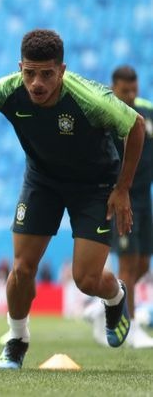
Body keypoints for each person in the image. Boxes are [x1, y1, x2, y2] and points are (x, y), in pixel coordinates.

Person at [0, 29, 145, 369]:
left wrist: (122, 189)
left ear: (62, 70)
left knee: (86, 280)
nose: (37, 83)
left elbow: (135, 126)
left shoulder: (89, 99)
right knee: (21, 268)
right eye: (29, 73)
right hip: (42, 181)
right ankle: (17, 339)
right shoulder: (8, 89)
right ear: (20, 68)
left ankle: (115, 296)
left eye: (46, 74)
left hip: (94, 186)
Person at [86, 65, 153, 348]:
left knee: (141, 264)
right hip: (120, 198)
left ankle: (103, 304)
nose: (130, 96)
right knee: (127, 263)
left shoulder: (147, 112)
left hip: (144, 197)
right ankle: (133, 327)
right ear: (114, 88)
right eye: (125, 90)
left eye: (134, 90)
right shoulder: (105, 114)